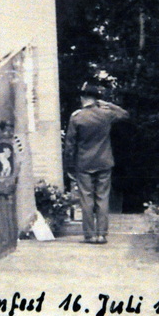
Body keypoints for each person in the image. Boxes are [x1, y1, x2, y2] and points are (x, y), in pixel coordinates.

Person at [64, 81, 129, 244]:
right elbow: (125, 114)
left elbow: (70, 144)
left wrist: (69, 165)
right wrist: (109, 104)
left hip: (84, 163)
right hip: (104, 161)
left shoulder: (77, 117)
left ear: (82, 98)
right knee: (102, 198)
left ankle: (89, 235)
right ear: (96, 98)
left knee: (86, 199)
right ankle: (102, 235)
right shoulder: (105, 114)